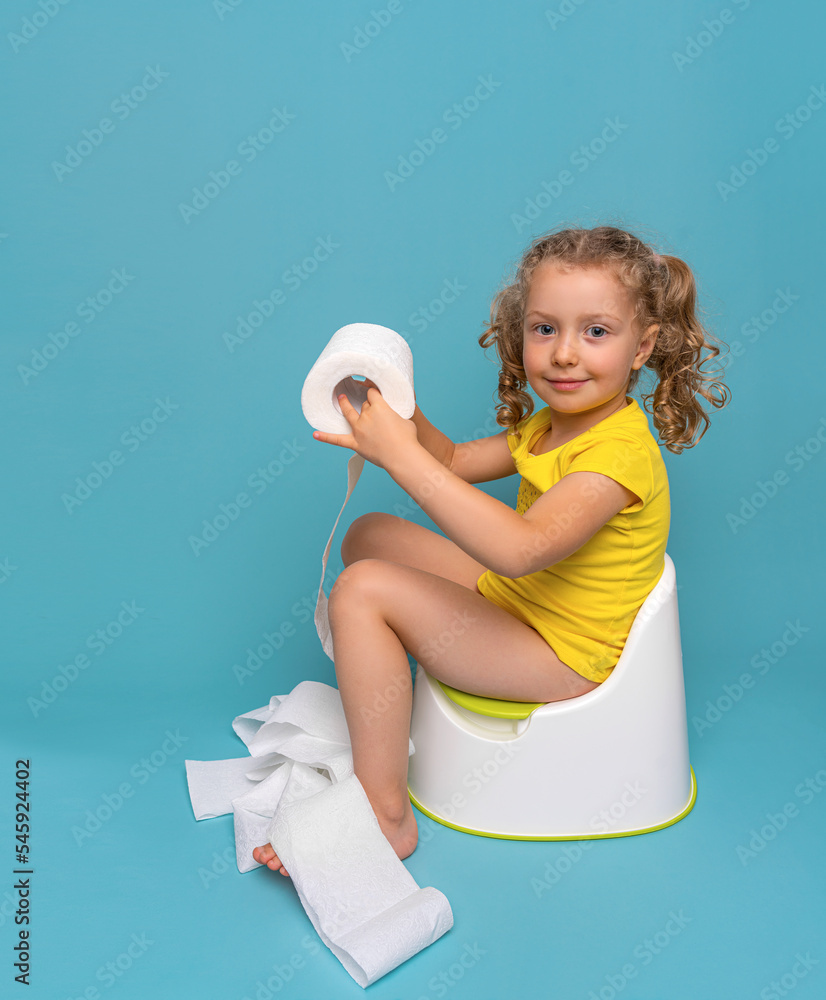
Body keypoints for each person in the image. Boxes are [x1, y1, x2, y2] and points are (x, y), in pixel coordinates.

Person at [253, 223, 730, 876]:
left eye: (595, 332)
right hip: (520, 605)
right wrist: (394, 409)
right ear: (522, 332)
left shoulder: (616, 458)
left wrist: (400, 460)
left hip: (561, 653)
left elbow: (522, 549)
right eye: (544, 329)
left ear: (642, 345)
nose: (564, 355)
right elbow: (449, 458)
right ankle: (386, 690)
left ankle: (383, 813)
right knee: (369, 536)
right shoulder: (549, 424)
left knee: (362, 591)